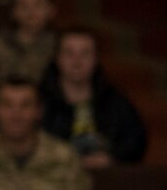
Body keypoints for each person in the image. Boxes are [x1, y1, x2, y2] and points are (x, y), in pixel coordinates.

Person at [37, 27, 148, 166]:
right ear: (57, 57)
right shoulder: (38, 101)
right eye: (69, 53)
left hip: (106, 177)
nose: (77, 61)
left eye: (85, 53)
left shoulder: (114, 101)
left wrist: (110, 158)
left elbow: (135, 141)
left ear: (95, 58)